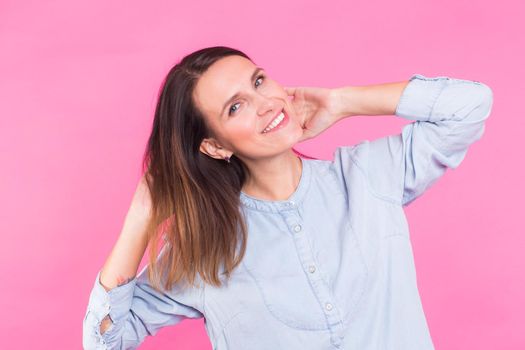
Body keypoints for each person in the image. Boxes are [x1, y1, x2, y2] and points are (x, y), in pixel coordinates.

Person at [82, 46, 494, 349]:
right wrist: (141, 216)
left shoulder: (367, 177)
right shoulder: (203, 249)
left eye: (259, 81)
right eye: (236, 107)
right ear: (215, 146)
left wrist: (342, 102)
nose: (266, 104)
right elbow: (105, 339)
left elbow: (470, 106)